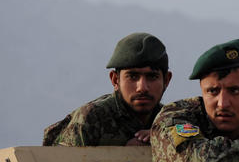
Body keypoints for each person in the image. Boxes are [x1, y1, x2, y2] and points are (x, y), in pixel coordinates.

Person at [43, 32, 172, 146]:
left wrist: (161, 141)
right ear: (115, 80)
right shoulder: (91, 120)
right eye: (133, 77)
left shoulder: (169, 121)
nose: (142, 87)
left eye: (152, 77)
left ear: (166, 80)